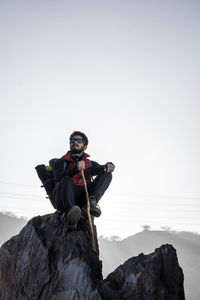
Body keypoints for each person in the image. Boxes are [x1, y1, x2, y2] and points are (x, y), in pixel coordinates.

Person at [49, 131, 115, 230]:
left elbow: (101, 168)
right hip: (63, 197)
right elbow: (58, 177)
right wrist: (75, 168)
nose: (75, 142)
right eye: (72, 140)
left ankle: (93, 201)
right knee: (66, 180)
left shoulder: (89, 163)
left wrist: (108, 165)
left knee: (107, 174)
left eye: (79, 141)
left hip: (83, 196)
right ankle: (71, 215)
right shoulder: (60, 162)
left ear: (85, 147)